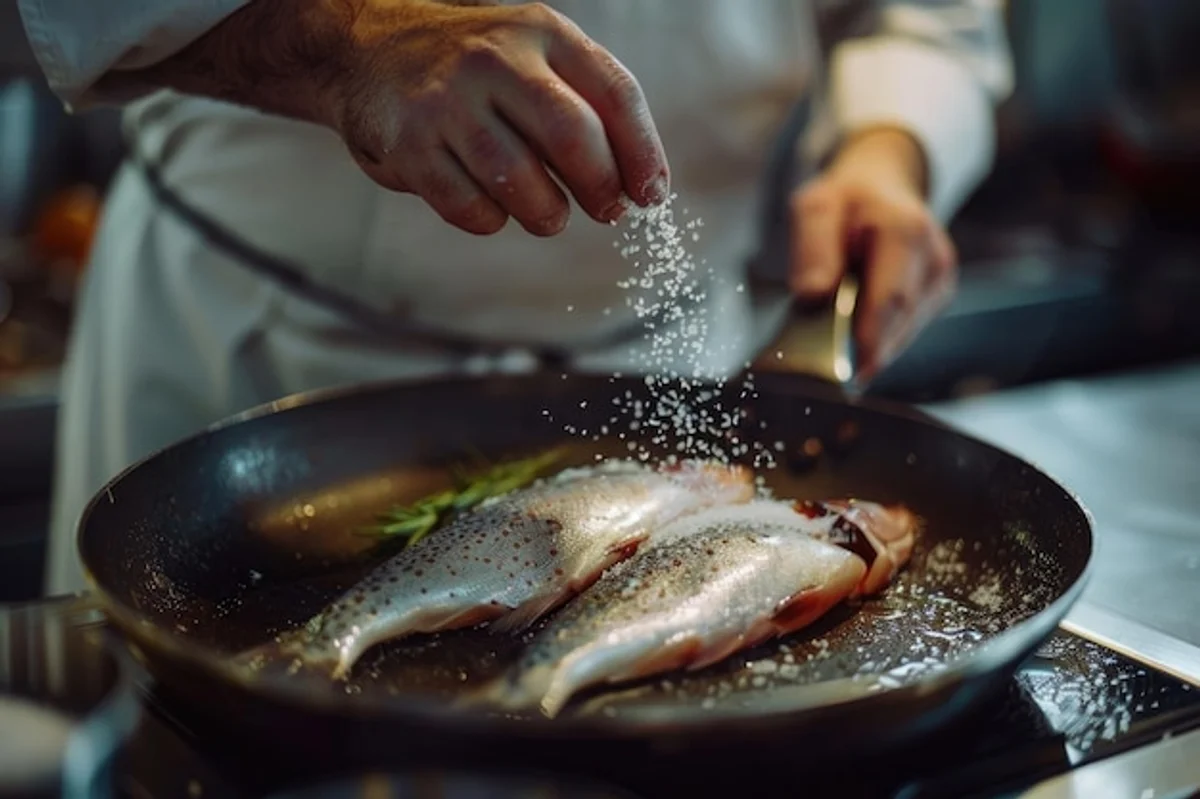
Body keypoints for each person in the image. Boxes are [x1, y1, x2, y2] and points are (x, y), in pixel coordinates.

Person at [17, 0, 1013, 595]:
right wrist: (332, 34)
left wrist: (890, 151)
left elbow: (927, 16)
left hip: (676, 370)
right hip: (253, 371)